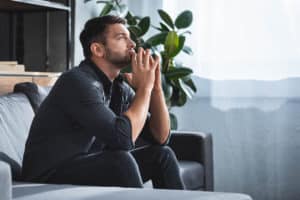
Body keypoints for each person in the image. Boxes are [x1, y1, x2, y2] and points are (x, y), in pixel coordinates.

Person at [22, 15, 185, 189]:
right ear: (98, 49)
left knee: (162, 155)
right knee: (119, 160)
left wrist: (155, 88)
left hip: (87, 165)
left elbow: (160, 137)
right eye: (121, 38)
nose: (132, 44)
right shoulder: (77, 81)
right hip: (49, 175)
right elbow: (123, 141)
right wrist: (144, 88)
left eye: (129, 38)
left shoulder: (119, 86)